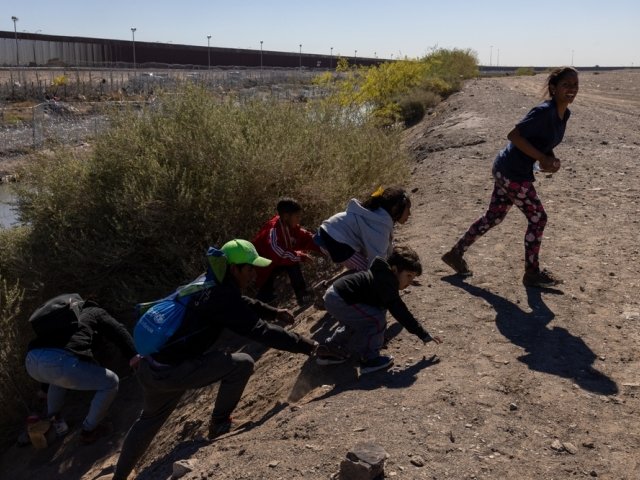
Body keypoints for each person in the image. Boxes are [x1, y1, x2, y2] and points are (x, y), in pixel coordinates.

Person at [111, 239, 337, 480]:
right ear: (233, 269)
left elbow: (239, 301)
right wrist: (310, 346)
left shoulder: (206, 281)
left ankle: (120, 476)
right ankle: (220, 423)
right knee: (241, 364)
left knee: (149, 419)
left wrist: (272, 311)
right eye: (249, 268)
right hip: (173, 371)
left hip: (150, 366)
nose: (253, 274)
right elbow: (260, 330)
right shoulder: (220, 295)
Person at [441, 67, 579, 288]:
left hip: (509, 170)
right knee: (538, 218)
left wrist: (549, 159)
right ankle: (532, 273)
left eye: (575, 85)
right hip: (512, 172)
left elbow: (542, 142)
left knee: (493, 217)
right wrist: (542, 158)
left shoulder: (565, 114)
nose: (572, 89)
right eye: (566, 85)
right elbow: (514, 136)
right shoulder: (544, 111)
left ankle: (455, 254)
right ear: (553, 88)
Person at [25, 299, 138, 444]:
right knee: (110, 382)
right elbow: (118, 330)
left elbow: (48, 356)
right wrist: (134, 355)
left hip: (31, 360)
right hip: (56, 362)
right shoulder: (96, 312)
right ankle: (89, 431)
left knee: (57, 380)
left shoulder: (63, 320)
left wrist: (43, 388)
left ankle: (53, 421)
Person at [317, 245, 442, 374]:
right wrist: (422, 333)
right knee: (376, 320)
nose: (410, 281)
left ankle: (330, 350)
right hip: (341, 299)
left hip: (336, 295)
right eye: (408, 276)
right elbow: (400, 311)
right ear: (394, 270)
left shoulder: (382, 274)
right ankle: (370, 360)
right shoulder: (387, 282)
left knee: (362, 319)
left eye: (413, 278)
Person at [315, 186, 411, 273]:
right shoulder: (380, 225)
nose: (409, 214)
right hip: (335, 239)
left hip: (331, 234)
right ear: (395, 208)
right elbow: (377, 260)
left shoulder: (379, 218)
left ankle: (336, 284)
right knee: (368, 274)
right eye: (408, 209)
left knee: (363, 269)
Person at [252, 197, 321, 306]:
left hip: (273, 262)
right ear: (286, 216)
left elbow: (304, 237)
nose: (299, 220)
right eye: (297, 216)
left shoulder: (288, 225)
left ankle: (303, 297)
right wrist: (302, 256)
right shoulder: (274, 230)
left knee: (293, 263)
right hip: (262, 267)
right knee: (265, 293)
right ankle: (260, 313)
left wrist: (321, 244)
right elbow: (279, 253)